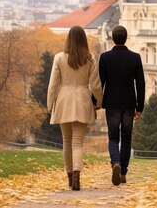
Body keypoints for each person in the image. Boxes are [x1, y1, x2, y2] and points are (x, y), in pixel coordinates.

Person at [47, 25, 103, 191]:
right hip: (83, 100)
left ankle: (70, 176)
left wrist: (50, 103)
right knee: (78, 142)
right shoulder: (90, 59)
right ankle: (78, 173)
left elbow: (53, 84)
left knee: (67, 141)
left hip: (64, 100)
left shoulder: (59, 58)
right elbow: (96, 85)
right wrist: (99, 101)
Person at [98, 25, 145, 186]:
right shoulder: (135, 58)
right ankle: (123, 172)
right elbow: (140, 84)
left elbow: (100, 83)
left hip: (111, 104)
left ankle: (115, 163)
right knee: (126, 138)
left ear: (112, 38)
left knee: (112, 137)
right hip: (129, 104)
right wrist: (140, 107)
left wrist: (95, 101)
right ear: (126, 38)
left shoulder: (104, 57)